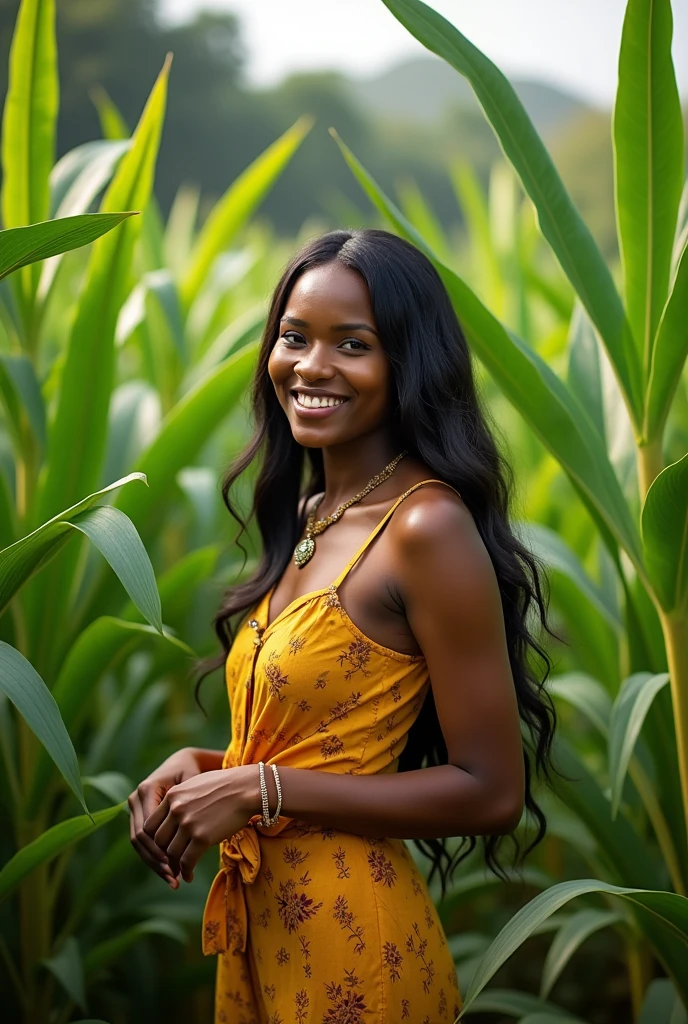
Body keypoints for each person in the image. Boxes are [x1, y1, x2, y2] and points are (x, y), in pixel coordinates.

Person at [128, 228, 556, 1024]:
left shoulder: (426, 528)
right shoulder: (310, 513)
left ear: (409, 363)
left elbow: (492, 791)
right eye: (294, 337)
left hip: (357, 953)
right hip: (262, 933)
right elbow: (331, 744)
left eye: (351, 344)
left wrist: (259, 787)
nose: (311, 367)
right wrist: (209, 767)